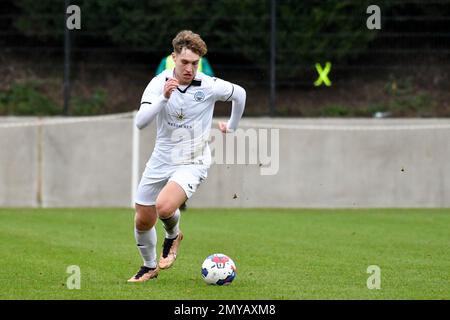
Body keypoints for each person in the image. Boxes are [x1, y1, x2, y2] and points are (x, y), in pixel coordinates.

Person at [128, 30, 246, 282]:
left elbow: (240, 94)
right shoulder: (159, 83)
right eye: (185, 62)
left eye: (195, 63)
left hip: (193, 158)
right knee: (142, 219)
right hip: (161, 158)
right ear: (174, 58)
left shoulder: (209, 85)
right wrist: (164, 98)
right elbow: (140, 122)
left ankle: (173, 236)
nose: (190, 68)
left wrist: (233, 126)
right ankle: (149, 267)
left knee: (164, 206)